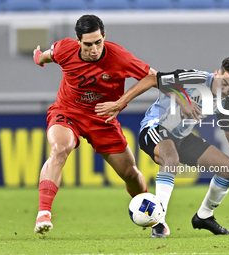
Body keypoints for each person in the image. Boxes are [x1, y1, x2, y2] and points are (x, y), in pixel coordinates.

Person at [95, 57, 229, 238]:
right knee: (171, 159)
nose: (226, 90)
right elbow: (152, 79)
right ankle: (159, 222)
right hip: (155, 127)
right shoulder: (195, 78)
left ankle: (204, 216)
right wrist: (120, 104)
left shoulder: (225, 102)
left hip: (181, 138)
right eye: (223, 83)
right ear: (216, 74)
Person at [32, 14, 157, 235]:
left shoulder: (119, 56)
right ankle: (44, 213)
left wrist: (120, 102)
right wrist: (38, 58)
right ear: (78, 40)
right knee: (59, 148)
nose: (94, 49)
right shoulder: (64, 49)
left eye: (98, 42)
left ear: (104, 36)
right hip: (67, 111)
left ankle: (153, 216)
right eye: (88, 44)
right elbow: (46, 56)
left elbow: (152, 77)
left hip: (103, 119)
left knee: (130, 173)